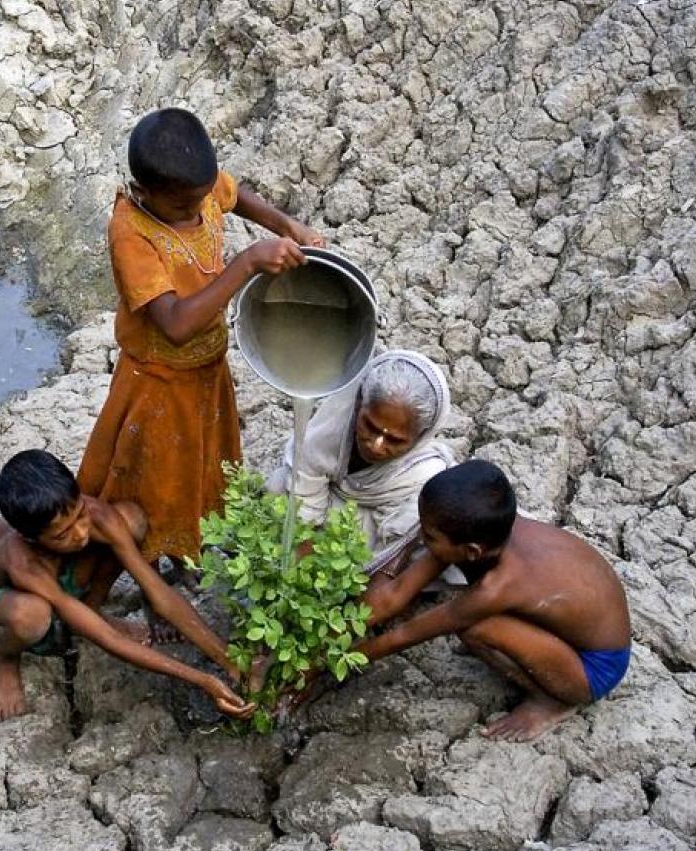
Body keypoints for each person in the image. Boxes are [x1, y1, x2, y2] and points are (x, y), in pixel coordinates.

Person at [79, 107, 323, 583]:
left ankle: (185, 551)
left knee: (201, 470)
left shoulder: (196, 188)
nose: (195, 211)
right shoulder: (131, 231)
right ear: (142, 191)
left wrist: (286, 225)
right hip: (157, 381)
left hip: (207, 370)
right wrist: (247, 262)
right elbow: (173, 324)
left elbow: (235, 196)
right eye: (181, 207)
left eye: (200, 199)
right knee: (155, 482)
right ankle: (150, 578)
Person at [343, 460, 631, 741]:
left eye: (429, 536)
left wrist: (335, 664)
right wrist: (338, 631)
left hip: (595, 668)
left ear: (471, 551)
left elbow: (405, 634)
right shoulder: (485, 529)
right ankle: (530, 647)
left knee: (476, 627)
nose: (420, 536)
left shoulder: (497, 586)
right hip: (568, 632)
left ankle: (552, 701)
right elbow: (395, 595)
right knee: (461, 595)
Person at [0, 449, 256, 721]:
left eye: (80, 514)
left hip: (65, 579)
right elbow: (107, 639)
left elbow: (158, 591)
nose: (80, 534)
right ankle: (5, 660)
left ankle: (91, 609)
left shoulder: (94, 516)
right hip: (9, 603)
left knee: (131, 518)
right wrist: (202, 680)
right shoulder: (22, 560)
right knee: (30, 614)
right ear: (31, 538)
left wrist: (227, 658)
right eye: (62, 534)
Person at [267, 349, 459, 579]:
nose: (376, 446)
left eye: (395, 440)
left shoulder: (422, 475)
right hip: (331, 505)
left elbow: (390, 548)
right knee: (277, 486)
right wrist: (300, 554)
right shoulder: (335, 422)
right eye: (370, 426)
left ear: (421, 437)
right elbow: (307, 482)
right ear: (358, 404)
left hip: (366, 529)